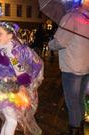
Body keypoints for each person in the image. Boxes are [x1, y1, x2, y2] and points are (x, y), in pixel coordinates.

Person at [0, 22, 44, 135]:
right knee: (12, 120)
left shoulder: (20, 50)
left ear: (10, 36)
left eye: (0, 34)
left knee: (10, 120)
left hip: (14, 89)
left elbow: (37, 64)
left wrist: (26, 80)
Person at [48, 1, 89, 135]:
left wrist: (50, 44)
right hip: (85, 67)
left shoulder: (71, 17)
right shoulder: (86, 18)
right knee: (80, 99)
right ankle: (80, 127)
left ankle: (74, 130)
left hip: (72, 67)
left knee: (72, 101)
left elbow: (60, 42)